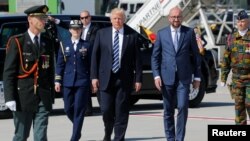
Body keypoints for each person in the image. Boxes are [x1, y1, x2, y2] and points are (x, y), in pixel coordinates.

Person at [3, 5, 55, 141]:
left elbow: (49, 69)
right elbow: (9, 72)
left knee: (40, 136)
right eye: (40, 18)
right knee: (21, 136)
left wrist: (51, 95)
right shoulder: (17, 42)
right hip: (23, 97)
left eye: (44, 18)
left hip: (43, 95)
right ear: (30, 19)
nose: (44, 21)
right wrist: (9, 97)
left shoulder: (47, 42)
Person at [91, 8, 142, 141]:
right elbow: (95, 57)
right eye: (115, 18)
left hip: (124, 79)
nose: (117, 21)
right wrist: (94, 77)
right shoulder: (102, 34)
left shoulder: (132, 35)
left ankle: (119, 138)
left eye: (120, 18)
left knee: (122, 111)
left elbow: (137, 59)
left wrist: (138, 79)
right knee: (106, 110)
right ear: (111, 19)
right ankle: (108, 133)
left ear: (124, 19)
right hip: (105, 79)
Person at [151, 7, 201, 141]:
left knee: (183, 107)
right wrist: (156, 75)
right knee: (168, 111)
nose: (176, 19)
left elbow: (196, 57)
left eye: (178, 17)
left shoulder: (189, 33)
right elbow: (155, 57)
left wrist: (197, 77)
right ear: (169, 18)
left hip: (183, 78)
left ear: (182, 18)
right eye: (173, 17)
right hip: (166, 78)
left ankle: (179, 138)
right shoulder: (161, 34)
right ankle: (170, 138)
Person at [54, 20, 91, 141]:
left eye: (78, 28)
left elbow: (91, 64)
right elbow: (60, 64)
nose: (76, 30)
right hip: (67, 81)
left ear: (81, 30)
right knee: (68, 108)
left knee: (79, 110)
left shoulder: (87, 45)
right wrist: (57, 80)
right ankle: (78, 128)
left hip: (82, 81)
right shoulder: (64, 44)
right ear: (69, 30)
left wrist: (92, 80)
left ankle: (75, 137)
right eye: (74, 29)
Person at [220, 10, 250, 125]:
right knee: (239, 108)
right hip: (237, 79)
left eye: (242, 21)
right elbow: (226, 59)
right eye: (239, 21)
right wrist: (223, 78)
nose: (240, 24)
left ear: (247, 22)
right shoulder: (231, 38)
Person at [80, 10, 100, 116]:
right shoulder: (79, 28)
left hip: (92, 60)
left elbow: (91, 43)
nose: (84, 20)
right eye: (82, 18)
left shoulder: (95, 29)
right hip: (82, 60)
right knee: (84, 85)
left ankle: (104, 108)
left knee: (95, 85)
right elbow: (67, 26)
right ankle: (87, 109)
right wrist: (56, 21)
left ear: (90, 17)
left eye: (86, 17)